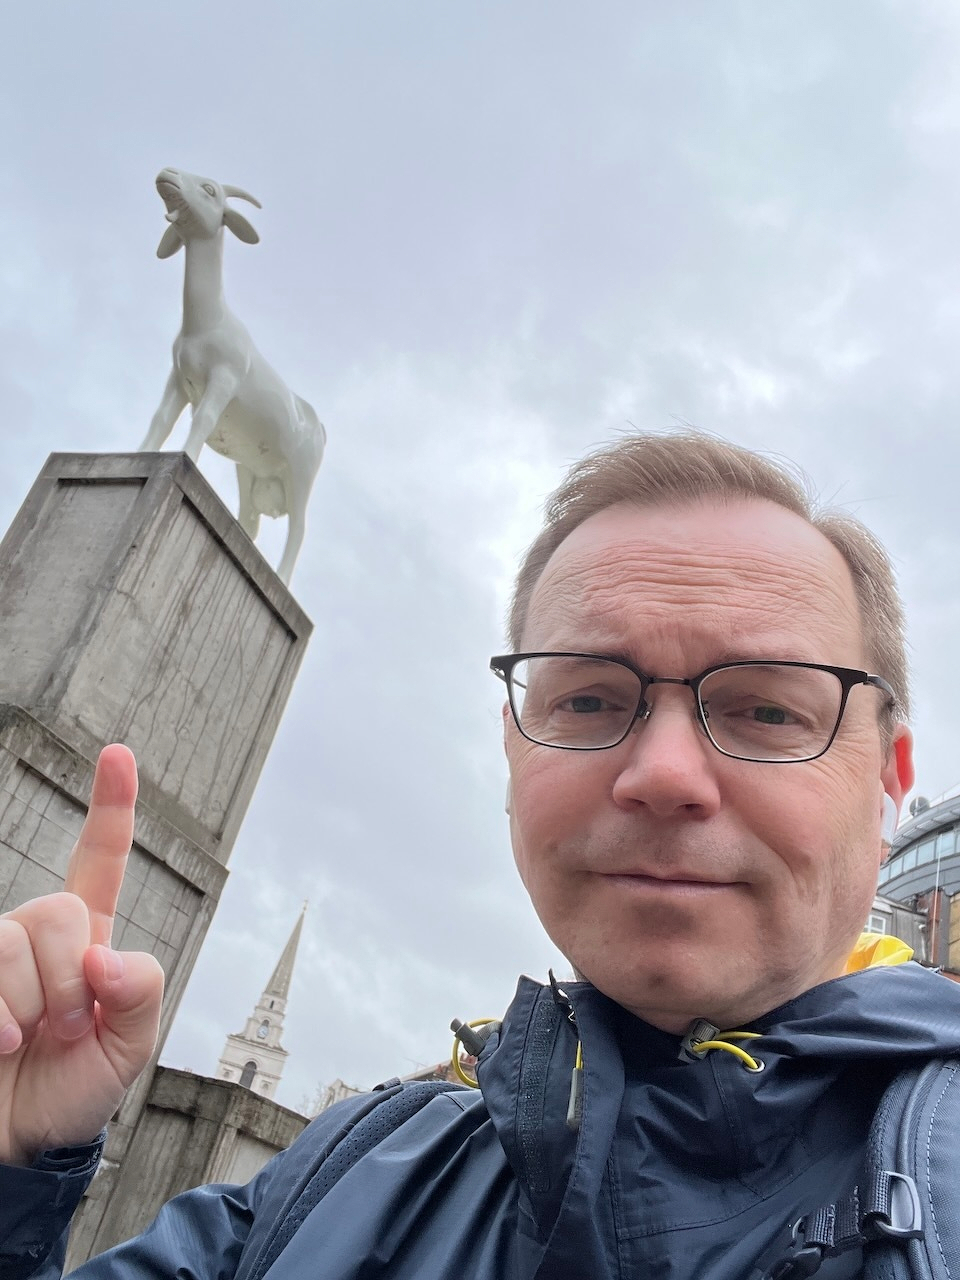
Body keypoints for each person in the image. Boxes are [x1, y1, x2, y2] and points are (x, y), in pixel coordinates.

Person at [3, 431, 960, 1280]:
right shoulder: (336, 1178)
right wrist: (15, 1165)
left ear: (887, 783)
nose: (664, 774)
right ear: (514, 746)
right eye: (590, 699)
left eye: (767, 709)